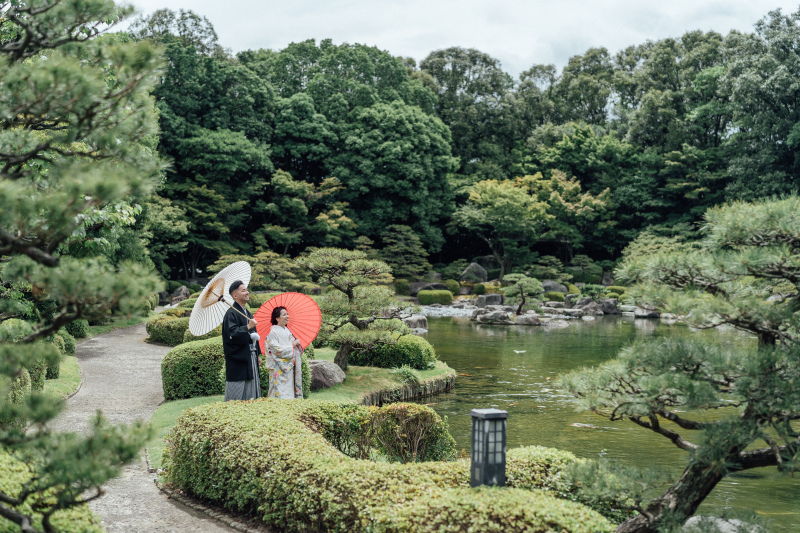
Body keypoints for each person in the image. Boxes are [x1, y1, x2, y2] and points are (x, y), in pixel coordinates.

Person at [222, 280, 262, 401]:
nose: (247, 292)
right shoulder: (231, 314)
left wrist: (257, 353)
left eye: (246, 290)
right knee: (237, 391)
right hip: (238, 359)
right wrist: (247, 327)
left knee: (252, 388)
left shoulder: (247, 313)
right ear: (235, 295)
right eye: (243, 290)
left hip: (251, 356)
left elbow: (254, 335)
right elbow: (232, 334)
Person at [265, 306, 303, 399]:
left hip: (289, 365)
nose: (287, 316)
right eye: (284, 314)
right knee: (277, 390)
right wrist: (292, 346)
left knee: (289, 389)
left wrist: (297, 345)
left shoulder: (288, 331)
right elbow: (276, 350)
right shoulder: (272, 333)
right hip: (278, 366)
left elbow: (294, 347)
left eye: (287, 314)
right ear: (277, 318)